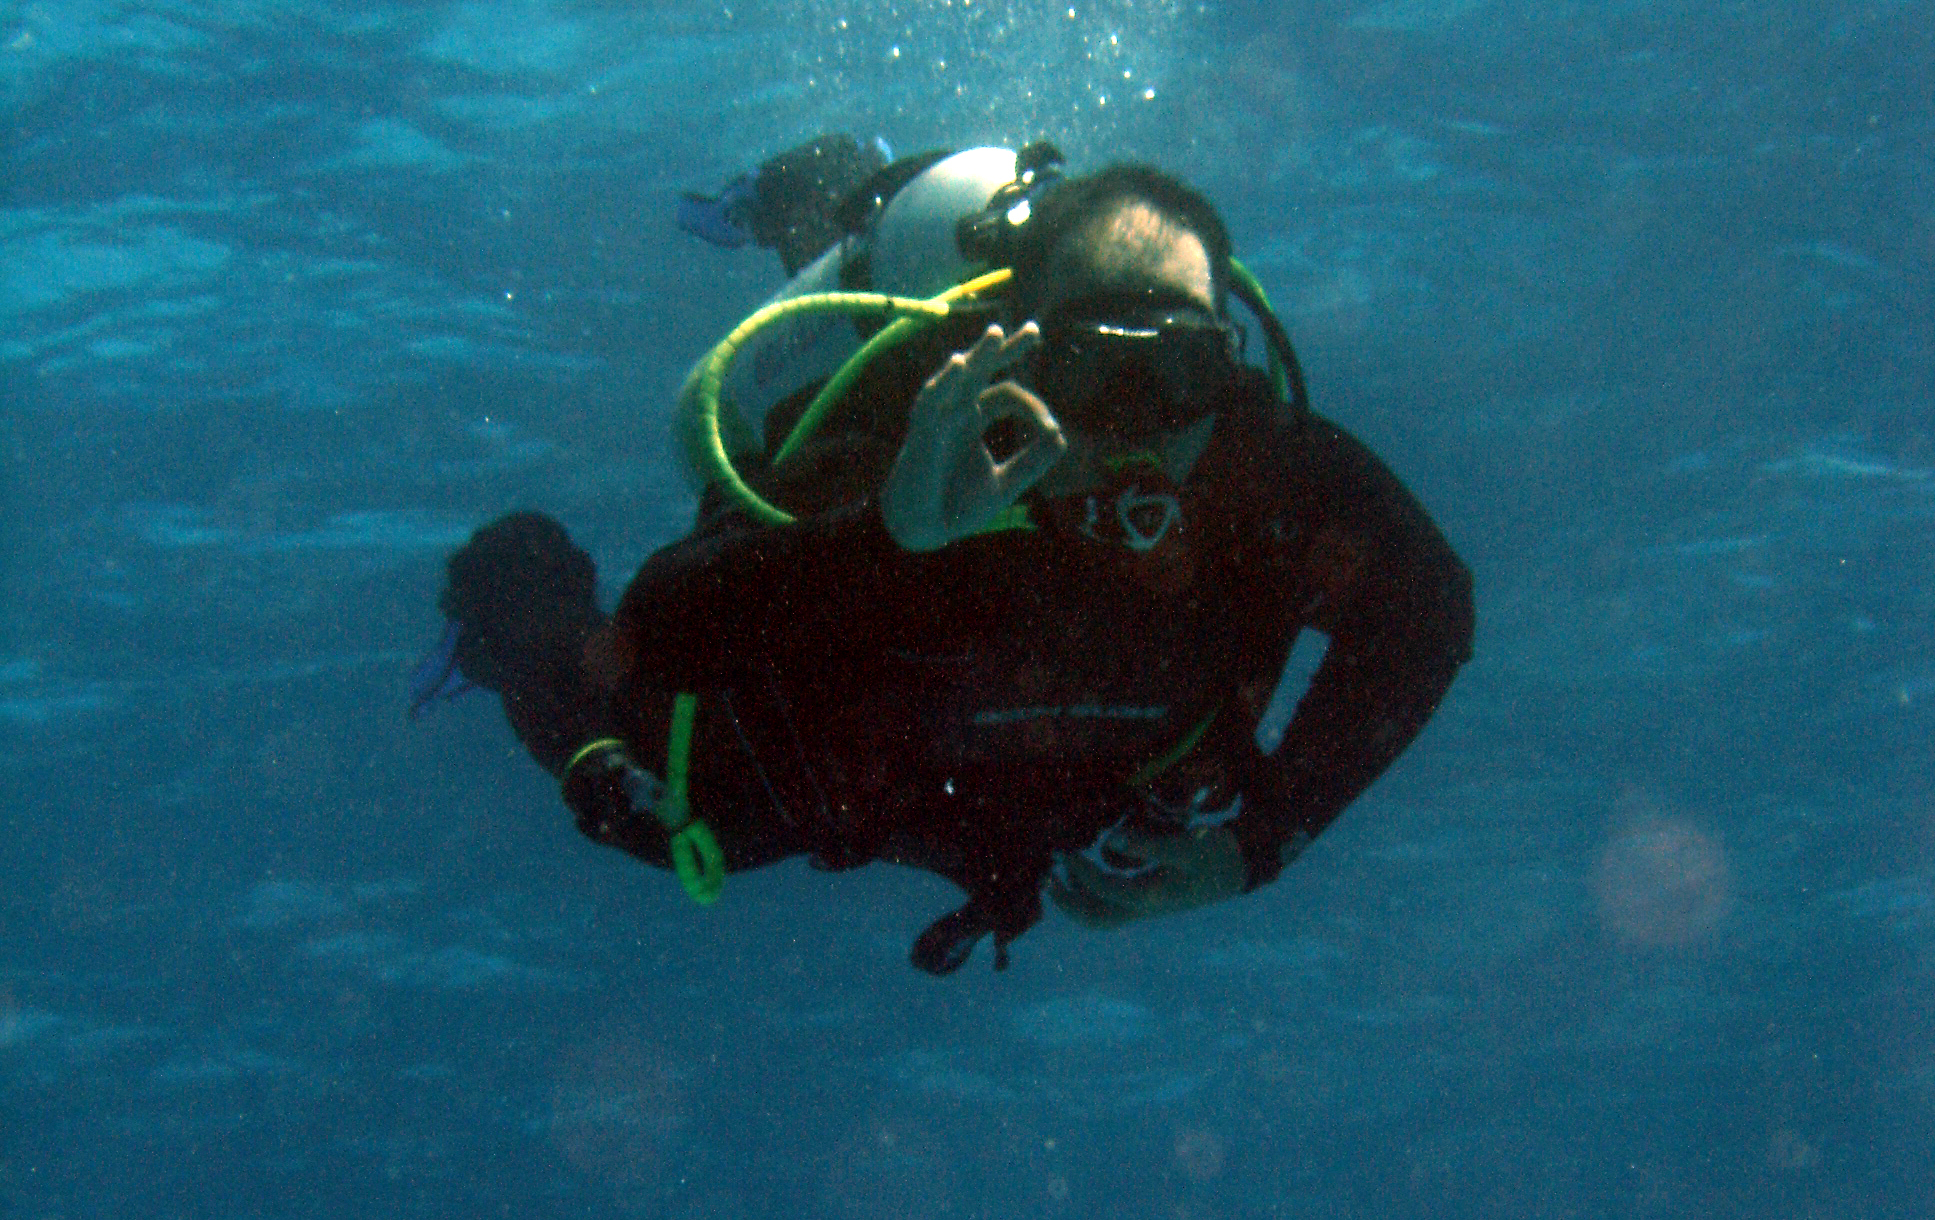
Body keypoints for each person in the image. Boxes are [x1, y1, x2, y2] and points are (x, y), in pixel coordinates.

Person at [416, 149, 1474, 974]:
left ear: (1229, 366)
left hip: (1016, 804)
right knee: (641, 787)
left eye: (1180, 374)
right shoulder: (920, 423)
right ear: (1024, 346)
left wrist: (1264, 842)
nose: (1138, 432)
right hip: (841, 759)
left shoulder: (1264, 469)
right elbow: (665, 632)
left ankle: (834, 194)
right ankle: (513, 607)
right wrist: (889, 530)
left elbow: (1430, 607)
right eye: (1101, 373)